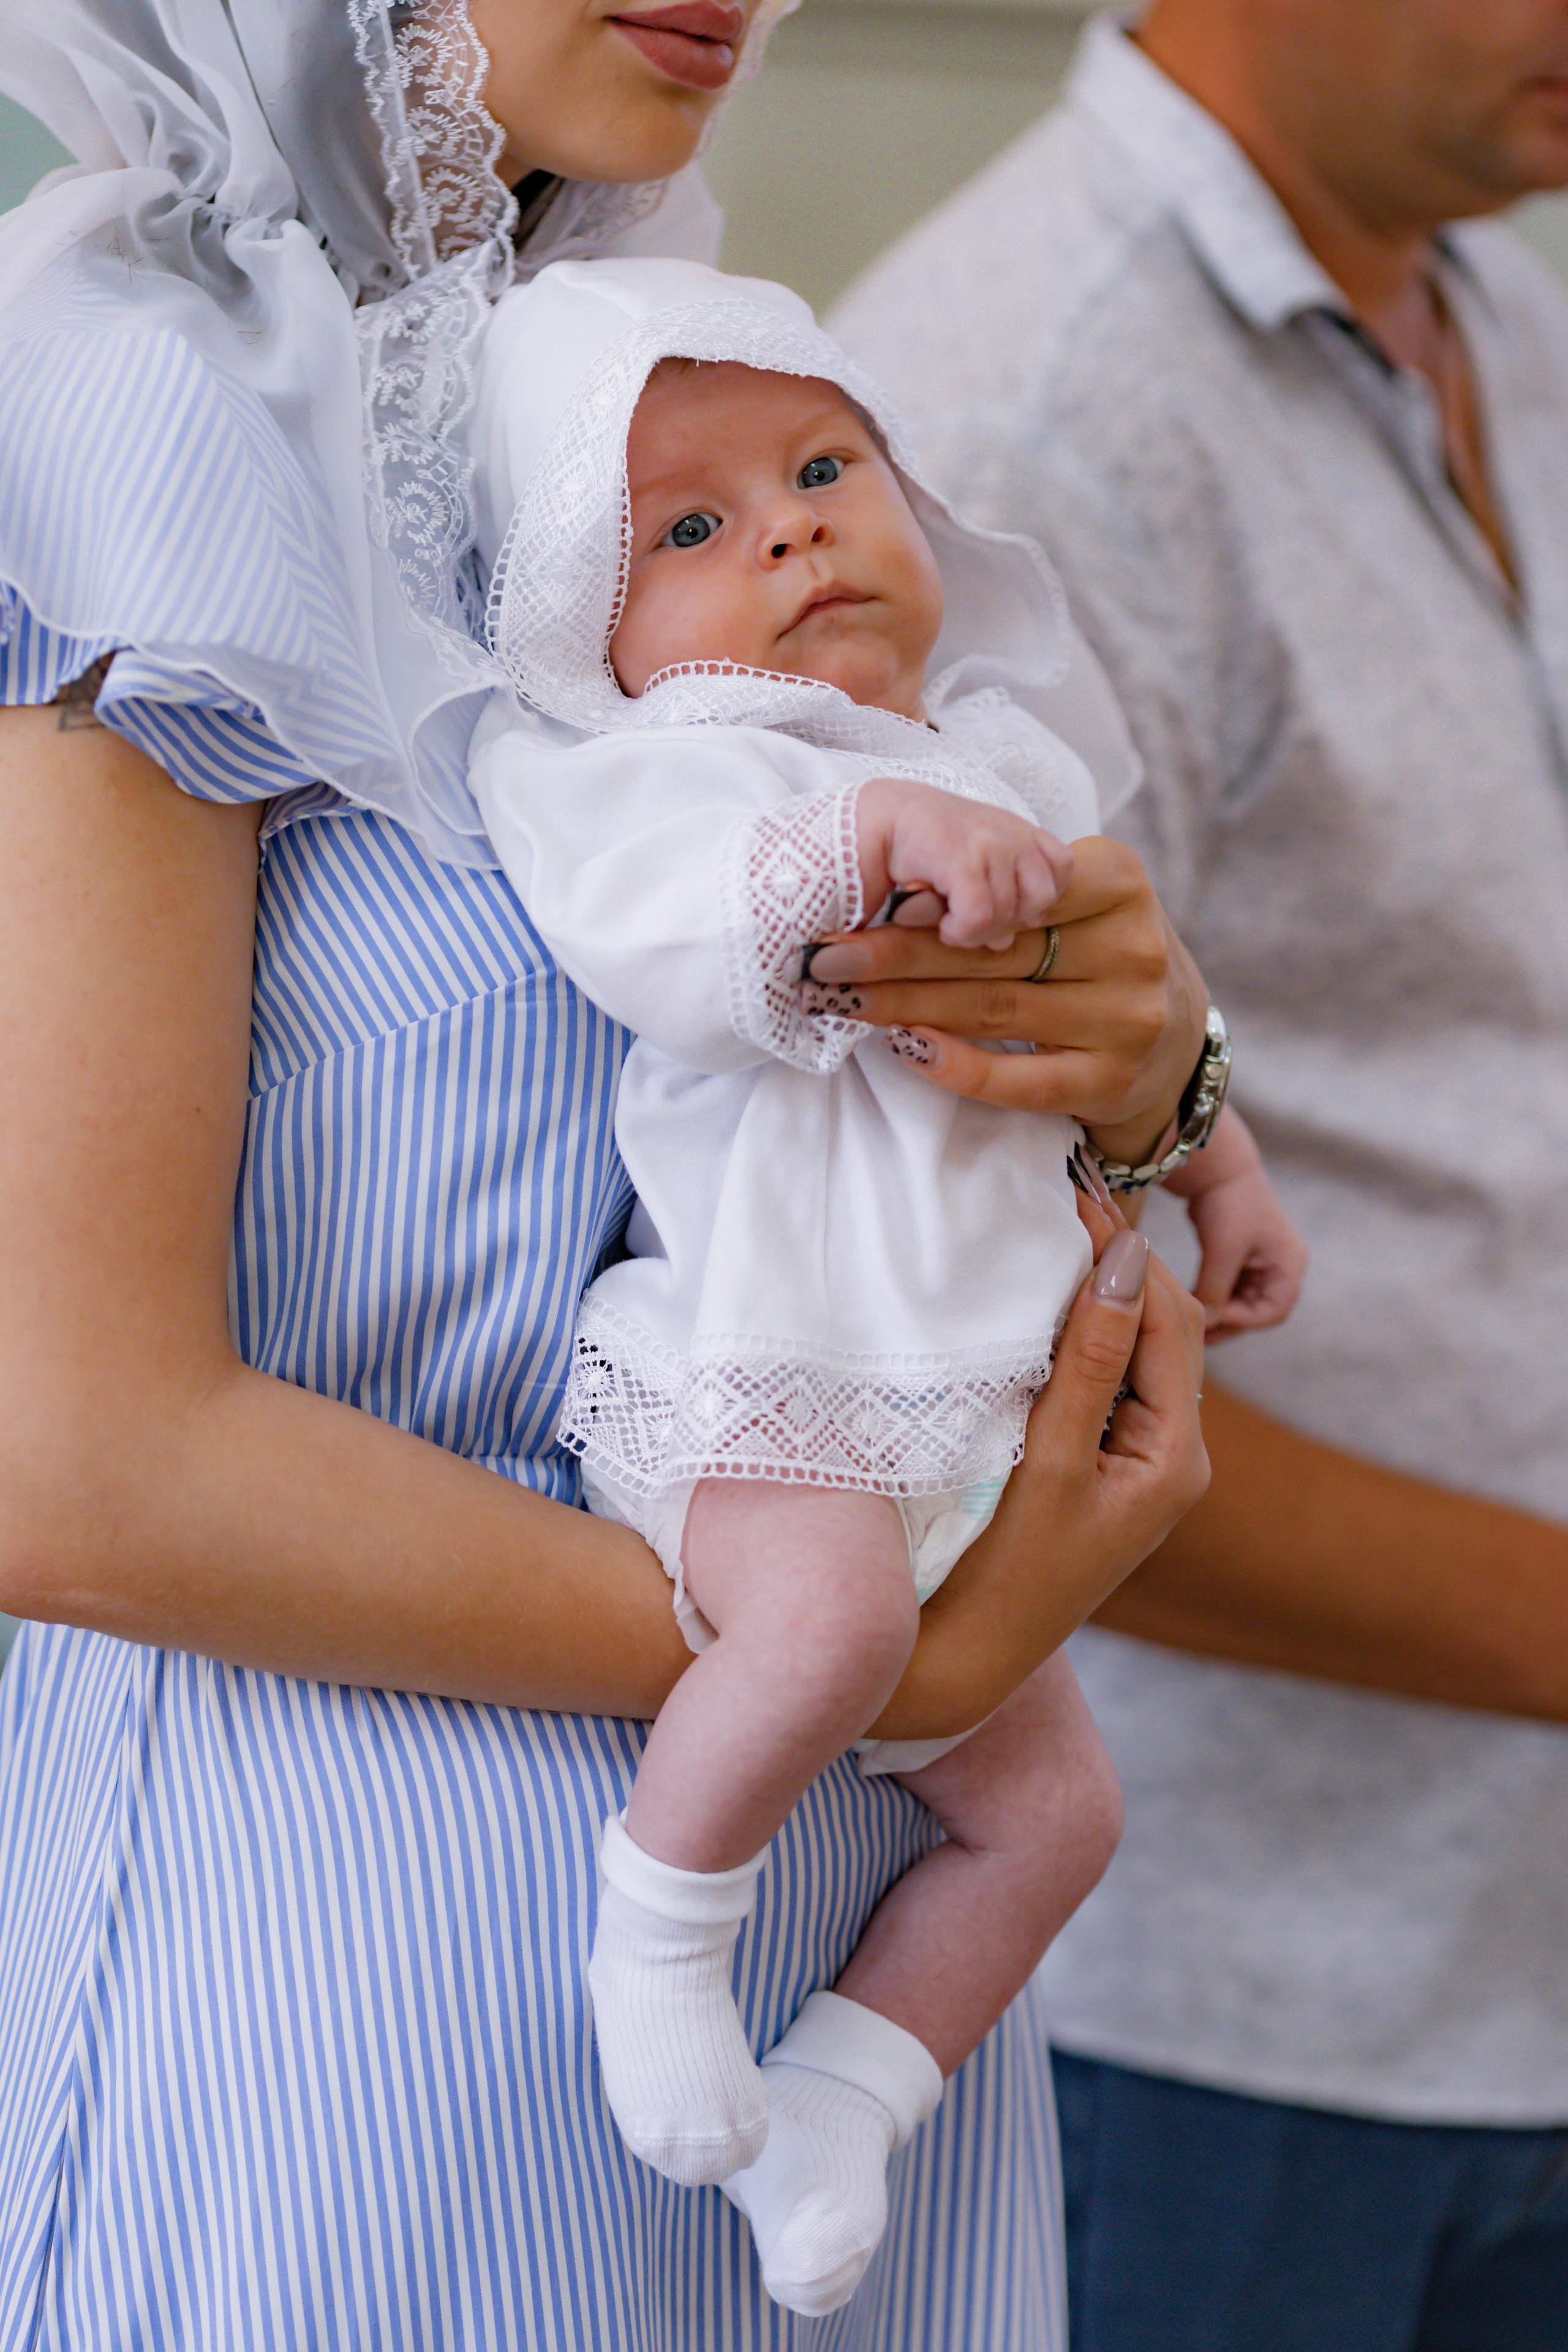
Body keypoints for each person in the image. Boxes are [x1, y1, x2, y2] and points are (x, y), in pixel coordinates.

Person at [0, 2, 1212, 2344]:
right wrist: (899, 1656)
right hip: (376, 1988)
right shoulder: (146, 399)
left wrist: (1148, 1064)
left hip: (860, 1962)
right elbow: (76, 1460)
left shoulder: (648, 404)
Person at [466, 254, 1302, 2315]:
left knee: (1060, 1821)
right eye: (690, 528)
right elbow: (661, 936)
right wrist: (872, 838)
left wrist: (1224, 1162)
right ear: (595, 618)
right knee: (824, 1624)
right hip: (782, 1381)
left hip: (981, 1426)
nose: (795, 529)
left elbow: (1129, 1009)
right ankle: (661, 1937)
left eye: (826, 466)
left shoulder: (1008, 747)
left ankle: (852, 2088)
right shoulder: (661, 763)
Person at [834, 1, 1568, 2343]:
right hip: (1204, 2019)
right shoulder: (1013, 413)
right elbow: (985, 1394)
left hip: (1505, 1945)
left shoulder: (1501, 303)